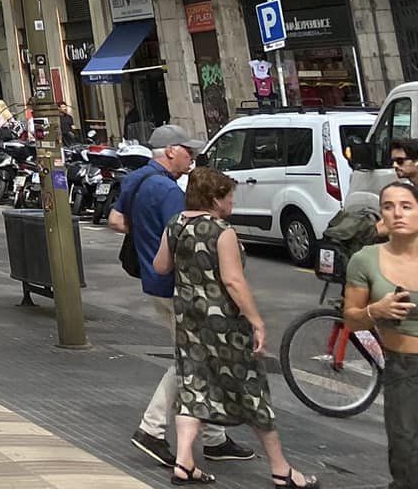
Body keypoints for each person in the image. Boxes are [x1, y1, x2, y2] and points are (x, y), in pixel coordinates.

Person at [152, 168, 317, 487]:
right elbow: (233, 281)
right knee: (251, 390)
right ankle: (281, 469)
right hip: (224, 323)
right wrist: (256, 320)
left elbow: (161, 266)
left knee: (193, 386)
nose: (233, 202)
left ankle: (184, 462)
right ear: (215, 199)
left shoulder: (177, 224)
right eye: (229, 196)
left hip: (189, 320)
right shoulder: (221, 231)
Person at [110, 126, 249, 467]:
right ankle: (152, 428)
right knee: (191, 361)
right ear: (170, 150)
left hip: (154, 281)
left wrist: (145, 237)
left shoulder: (135, 180)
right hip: (180, 287)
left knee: (202, 359)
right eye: (188, 151)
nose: (193, 157)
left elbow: (116, 220)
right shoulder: (168, 191)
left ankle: (214, 437)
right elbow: (186, 239)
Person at [344, 177, 418, 489]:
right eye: (388, 207)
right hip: (404, 369)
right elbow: (351, 320)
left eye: (406, 206)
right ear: (381, 215)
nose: (397, 213)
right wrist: (376, 311)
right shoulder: (366, 259)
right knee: (406, 455)